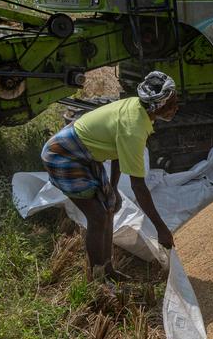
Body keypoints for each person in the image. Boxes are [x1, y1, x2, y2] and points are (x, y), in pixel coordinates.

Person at [41, 71, 179, 282]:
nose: (176, 106)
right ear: (157, 106)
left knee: (108, 208)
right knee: (98, 216)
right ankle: (98, 278)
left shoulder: (137, 107)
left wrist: (113, 189)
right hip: (63, 154)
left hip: (83, 153)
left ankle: (108, 271)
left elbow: (117, 152)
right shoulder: (134, 128)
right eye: (171, 102)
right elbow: (138, 187)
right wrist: (161, 228)